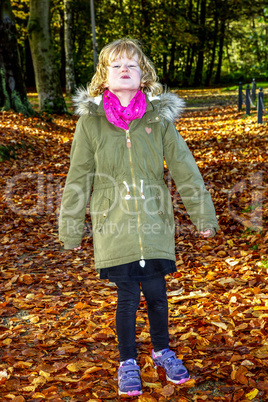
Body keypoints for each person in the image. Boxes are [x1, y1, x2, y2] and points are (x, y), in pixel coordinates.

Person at [59, 38, 218, 397]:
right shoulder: (91, 124)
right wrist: (71, 229)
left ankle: (162, 351)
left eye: (132, 64)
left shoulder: (158, 120)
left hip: (154, 220)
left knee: (158, 292)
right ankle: (127, 361)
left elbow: (185, 168)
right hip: (113, 223)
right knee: (128, 295)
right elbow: (78, 176)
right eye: (116, 66)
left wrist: (202, 215)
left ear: (143, 75)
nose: (125, 70)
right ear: (105, 77)